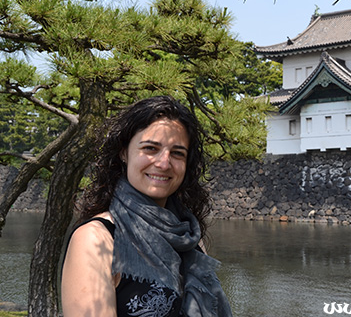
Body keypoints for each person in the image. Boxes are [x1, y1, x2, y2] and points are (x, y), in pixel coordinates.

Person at [61, 95, 232, 317]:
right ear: (124, 152)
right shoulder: (96, 239)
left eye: (177, 153)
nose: (163, 163)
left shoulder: (188, 238)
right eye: (151, 148)